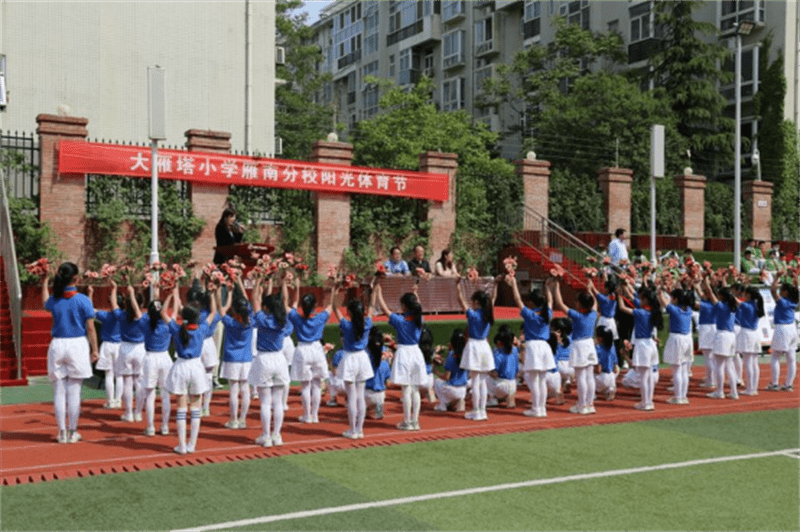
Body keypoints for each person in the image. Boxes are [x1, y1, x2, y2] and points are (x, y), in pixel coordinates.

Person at [41, 262, 98, 443]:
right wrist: (95, 349)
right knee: (74, 390)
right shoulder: (83, 300)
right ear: (76, 278)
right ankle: (73, 432)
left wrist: (44, 282)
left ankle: (61, 432)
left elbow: (45, 304)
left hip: (58, 344)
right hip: (77, 344)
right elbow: (91, 328)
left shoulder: (56, 298)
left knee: (59, 390)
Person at [164, 285, 218, 455]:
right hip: (196, 367)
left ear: (183, 316)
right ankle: (192, 445)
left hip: (180, 366)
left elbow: (163, 313)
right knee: (196, 406)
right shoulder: (202, 329)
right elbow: (213, 312)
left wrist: (172, 294)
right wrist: (212, 293)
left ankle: (181, 445)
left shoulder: (177, 328)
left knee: (181, 407)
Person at [374, 282, 426, 430]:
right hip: (416, 352)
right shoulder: (418, 319)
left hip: (404, 353)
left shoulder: (401, 321)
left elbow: (385, 310)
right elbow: (418, 306)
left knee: (406, 389)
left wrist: (378, 293)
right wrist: (416, 292)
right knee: (414, 389)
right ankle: (415, 421)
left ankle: (407, 421)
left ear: (404, 306)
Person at [332, 281, 377, 439]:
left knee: (352, 396)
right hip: (362, 358)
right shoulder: (367, 323)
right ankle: (359, 429)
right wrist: (375, 288)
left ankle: (352, 430)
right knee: (360, 395)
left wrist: (335, 290)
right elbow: (372, 307)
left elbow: (334, 308)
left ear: (350, 312)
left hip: (350, 358)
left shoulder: (346, 324)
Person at [250, 278, 291, 447]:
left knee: (265, 402)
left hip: (264, 359)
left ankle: (266, 436)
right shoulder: (283, 320)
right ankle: (277, 435)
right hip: (279, 359)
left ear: (267, 308)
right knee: (278, 401)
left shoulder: (263, 319)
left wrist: (259, 279)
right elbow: (284, 302)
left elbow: (255, 300)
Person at [287, 276, 332, 424]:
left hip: (302, 349)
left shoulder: (296, 317)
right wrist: (334, 288)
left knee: (305, 384)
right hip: (317, 349)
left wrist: (296, 287)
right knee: (317, 383)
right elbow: (331, 305)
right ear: (315, 304)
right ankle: (315, 415)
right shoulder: (320, 317)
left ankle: (307, 415)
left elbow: (286, 305)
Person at [507, 275, 553, 417]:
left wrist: (514, 283)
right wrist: (548, 287)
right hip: (545, 346)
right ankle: (542, 409)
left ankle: (536, 409)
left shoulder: (530, 314)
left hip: (533, 346)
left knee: (534, 381)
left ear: (532, 302)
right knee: (542, 380)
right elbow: (550, 300)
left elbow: (517, 300)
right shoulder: (547, 313)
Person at [553, 278, 598, 415]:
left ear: (581, 304)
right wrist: (590, 289)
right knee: (589, 376)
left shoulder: (577, 316)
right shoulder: (593, 314)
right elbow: (595, 303)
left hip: (579, 345)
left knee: (581, 377)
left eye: (577, 301)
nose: (575, 303)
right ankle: (590, 404)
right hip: (590, 344)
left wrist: (556, 287)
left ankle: (582, 405)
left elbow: (560, 304)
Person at [217, 278, 255, 429]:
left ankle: (233, 420)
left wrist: (225, 290)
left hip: (232, 358)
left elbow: (220, 309)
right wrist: (239, 281)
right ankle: (243, 419)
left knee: (233, 389)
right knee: (245, 389)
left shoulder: (231, 322)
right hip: (246, 359)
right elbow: (248, 303)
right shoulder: (250, 321)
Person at [617, 284, 662, 411]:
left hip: (643, 345)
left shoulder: (640, 312)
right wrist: (625, 289)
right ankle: (649, 401)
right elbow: (633, 299)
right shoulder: (652, 311)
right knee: (647, 376)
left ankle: (645, 402)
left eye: (642, 299)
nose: (640, 301)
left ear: (646, 301)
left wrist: (619, 295)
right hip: (651, 344)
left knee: (644, 377)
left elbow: (622, 307)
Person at [456, 281, 496, 421]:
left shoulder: (475, 314)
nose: (471, 303)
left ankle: (476, 411)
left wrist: (457, 286)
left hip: (474, 345)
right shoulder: (487, 313)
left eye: (473, 301)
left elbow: (461, 301)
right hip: (484, 346)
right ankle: (482, 411)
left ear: (477, 302)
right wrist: (495, 285)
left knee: (475, 381)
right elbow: (493, 299)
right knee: (482, 382)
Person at [136, 294, 175, 436]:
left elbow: (137, 310)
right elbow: (173, 310)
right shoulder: (167, 324)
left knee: (150, 395)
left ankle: (151, 427)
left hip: (150, 358)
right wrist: (172, 294)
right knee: (165, 394)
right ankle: (164, 426)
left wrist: (132, 293)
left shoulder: (145, 322)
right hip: (165, 358)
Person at [703, 277, 740, 400]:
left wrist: (705, 281)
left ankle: (720, 391)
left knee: (719, 365)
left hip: (722, 335)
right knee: (729, 365)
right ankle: (734, 392)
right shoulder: (732, 306)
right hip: (731, 336)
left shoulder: (722, 306)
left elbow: (709, 292)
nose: (717, 296)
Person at [114, 283, 146, 423]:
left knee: (127, 382)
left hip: (125, 348)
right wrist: (132, 293)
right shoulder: (143, 317)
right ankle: (138, 412)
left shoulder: (121, 315)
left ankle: (128, 413)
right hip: (140, 349)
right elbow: (140, 310)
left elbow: (114, 303)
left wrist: (115, 288)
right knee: (138, 381)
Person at [88, 285, 123, 409]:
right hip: (120, 346)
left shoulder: (106, 315)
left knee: (109, 374)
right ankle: (118, 400)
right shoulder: (124, 316)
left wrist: (90, 293)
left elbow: (90, 310)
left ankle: (110, 401)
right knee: (119, 375)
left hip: (107, 346)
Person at [658, 287, 694, 405]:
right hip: (687, 340)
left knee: (677, 369)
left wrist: (659, 291)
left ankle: (678, 397)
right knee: (684, 369)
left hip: (677, 339)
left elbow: (664, 302)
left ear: (676, 299)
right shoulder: (688, 309)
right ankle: (683, 396)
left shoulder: (675, 310)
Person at [767, 273, 799, 392]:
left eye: (782, 290)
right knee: (791, 358)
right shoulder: (794, 301)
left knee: (775, 356)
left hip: (782, 329)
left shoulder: (783, 302)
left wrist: (776, 277)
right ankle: (788, 384)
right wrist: (796, 282)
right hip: (792, 329)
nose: (780, 291)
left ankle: (775, 384)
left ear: (786, 292)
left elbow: (772, 290)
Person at [736, 286, 765, 396]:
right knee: (754, 363)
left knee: (748, 362)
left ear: (749, 295)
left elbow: (735, 301)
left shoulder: (746, 305)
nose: (743, 295)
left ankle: (750, 388)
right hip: (755, 334)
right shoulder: (756, 305)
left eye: (745, 293)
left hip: (747, 333)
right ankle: (753, 388)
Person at [432, 329, 469, 412]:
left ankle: (442, 405)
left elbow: (446, 377)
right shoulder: (466, 356)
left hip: (452, 390)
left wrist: (435, 371)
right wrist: (443, 362)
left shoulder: (452, 357)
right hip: (463, 390)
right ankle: (459, 402)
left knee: (436, 381)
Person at [486, 324, 519, 409]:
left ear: (499, 342)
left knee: (485, 376)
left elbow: (494, 374)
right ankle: (510, 400)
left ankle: (492, 399)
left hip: (501, 386)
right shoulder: (515, 350)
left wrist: (487, 371)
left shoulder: (497, 354)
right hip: (513, 385)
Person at [364, 328, 392, 420]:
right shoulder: (385, 362)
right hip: (379, 396)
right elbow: (388, 382)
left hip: (365, 394)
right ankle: (378, 410)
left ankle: (363, 409)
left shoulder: (363, 354)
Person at [593, 326, 618, 401]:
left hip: (602, 378)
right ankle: (609, 389)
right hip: (611, 377)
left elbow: (598, 369)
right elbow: (616, 369)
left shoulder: (597, 348)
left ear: (601, 338)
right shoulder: (613, 347)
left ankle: (592, 394)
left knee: (586, 373)